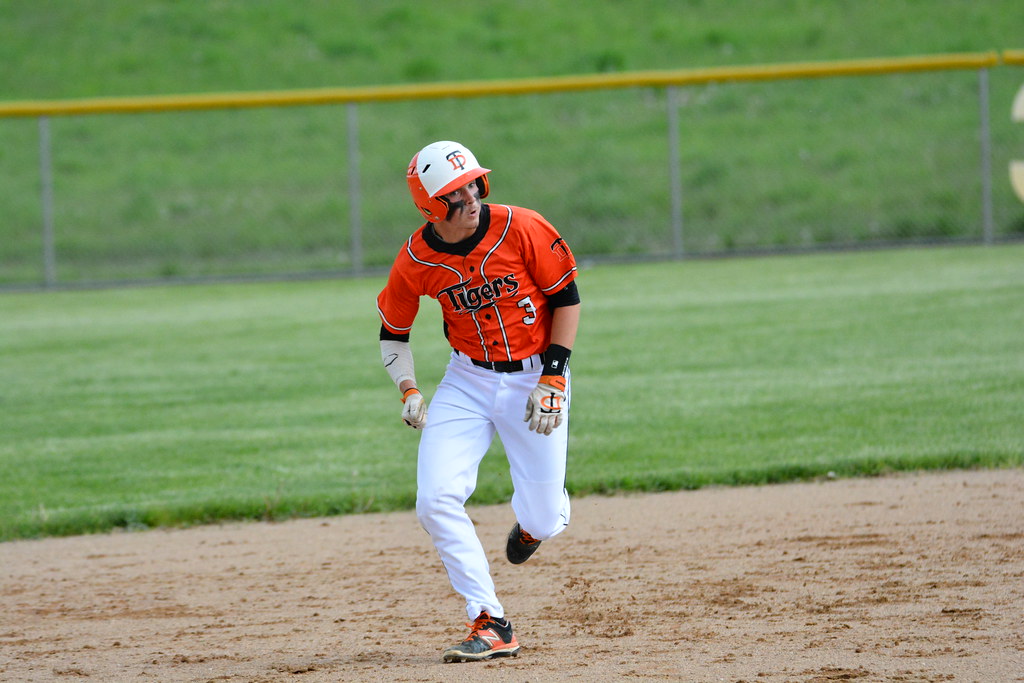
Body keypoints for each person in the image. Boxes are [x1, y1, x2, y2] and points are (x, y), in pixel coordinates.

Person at [376, 140, 581, 662]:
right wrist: (410, 389)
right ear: (428, 205)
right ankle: (490, 621)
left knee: (541, 513)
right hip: (466, 380)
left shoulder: (522, 225)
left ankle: (540, 521)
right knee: (435, 499)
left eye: (472, 183)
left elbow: (566, 300)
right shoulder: (416, 258)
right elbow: (393, 332)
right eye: (453, 191)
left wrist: (554, 378)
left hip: (536, 376)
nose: (469, 195)